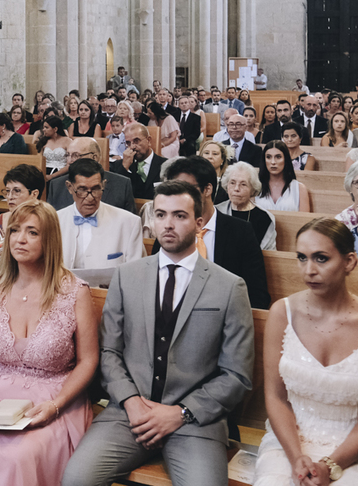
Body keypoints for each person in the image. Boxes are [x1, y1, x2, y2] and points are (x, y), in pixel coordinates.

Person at [61, 180, 254, 486]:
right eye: (161, 214)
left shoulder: (229, 286)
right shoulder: (127, 275)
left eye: (179, 215)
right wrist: (131, 401)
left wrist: (181, 413)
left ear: (199, 223)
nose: (168, 224)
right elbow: (109, 352)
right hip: (129, 414)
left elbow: (236, 375)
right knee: (76, 479)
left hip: (195, 422)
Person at [0, 201, 99, 485]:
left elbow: (88, 360)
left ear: (50, 240)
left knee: (21, 456)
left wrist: (55, 405)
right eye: (15, 231)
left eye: (32, 232)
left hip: (53, 397)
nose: (20, 239)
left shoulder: (74, 292)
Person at [252, 218, 358, 486]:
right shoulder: (282, 313)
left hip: (353, 448)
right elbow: (276, 397)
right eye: (302, 258)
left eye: (321, 258)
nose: (309, 270)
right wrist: (297, 458)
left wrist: (331, 466)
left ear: (349, 262)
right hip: (289, 440)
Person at [154, 156, 272, 309]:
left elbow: (257, 295)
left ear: (207, 189)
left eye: (185, 189)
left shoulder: (240, 232)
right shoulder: (169, 231)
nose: (178, 198)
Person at [55, 159, 144, 271]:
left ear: (104, 185)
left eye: (96, 189)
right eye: (82, 190)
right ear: (69, 187)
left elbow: (136, 272)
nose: (90, 197)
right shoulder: (54, 221)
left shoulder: (129, 223)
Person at [0, 164, 45, 270]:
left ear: (34, 194)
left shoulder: (44, 223)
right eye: (7, 191)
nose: (10, 197)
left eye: (17, 191)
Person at [47, 138, 136, 215]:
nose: (70, 161)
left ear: (94, 158)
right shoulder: (56, 186)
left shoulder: (121, 185)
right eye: (68, 155)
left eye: (76, 155)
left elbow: (129, 225)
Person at [215, 161, 278, 250]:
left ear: (253, 189)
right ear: (226, 185)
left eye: (243, 184)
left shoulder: (265, 219)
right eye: (232, 183)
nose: (236, 189)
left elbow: (269, 255)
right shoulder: (216, 212)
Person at [107, 122, 165, 200]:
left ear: (149, 140)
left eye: (136, 141)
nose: (132, 146)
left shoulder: (166, 165)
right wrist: (124, 168)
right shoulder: (118, 166)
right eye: (128, 143)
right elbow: (114, 197)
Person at [255, 141, 313, 213]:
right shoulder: (255, 187)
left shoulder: (299, 189)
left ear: (286, 159)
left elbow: (304, 220)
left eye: (278, 157)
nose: (273, 162)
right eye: (268, 157)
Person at [198, 140, 232, 205]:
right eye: (206, 153)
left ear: (222, 159)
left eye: (215, 154)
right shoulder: (194, 179)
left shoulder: (228, 181)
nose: (210, 157)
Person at [36, 116, 71, 180]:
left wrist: (52, 176)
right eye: (43, 127)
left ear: (55, 129)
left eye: (46, 127)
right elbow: (39, 160)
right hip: (45, 172)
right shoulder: (43, 141)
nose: (44, 130)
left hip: (62, 174)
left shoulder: (68, 141)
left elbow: (69, 165)